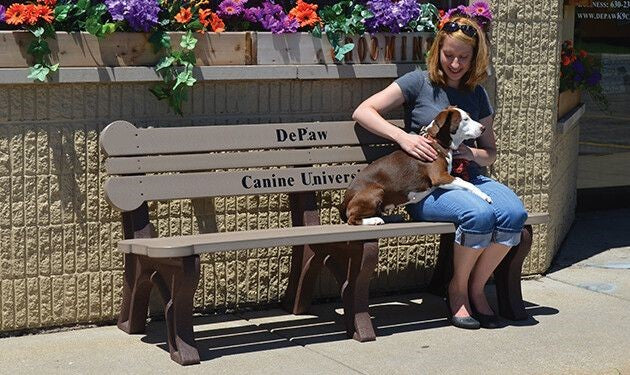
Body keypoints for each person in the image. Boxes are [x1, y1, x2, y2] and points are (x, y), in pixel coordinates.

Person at [351, 15, 527, 329]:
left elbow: (490, 152)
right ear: (437, 52)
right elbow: (363, 111)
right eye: (449, 55)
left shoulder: (477, 93)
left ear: (475, 59)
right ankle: (457, 290)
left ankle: (476, 287)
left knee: (514, 213)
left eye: (464, 57)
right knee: (479, 215)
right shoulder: (418, 82)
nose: (455, 64)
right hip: (427, 187)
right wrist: (403, 137)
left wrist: (471, 153)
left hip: (470, 177)